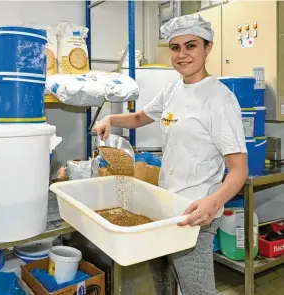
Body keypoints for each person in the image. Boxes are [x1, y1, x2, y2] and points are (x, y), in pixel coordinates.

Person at [93, 13, 248, 295]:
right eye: (175, 48)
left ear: (207, 47)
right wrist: (111, 121)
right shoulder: (173, 89)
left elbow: (239, 169)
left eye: (191, 46)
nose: (182, 55)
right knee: (175, 282)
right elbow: (141, 117)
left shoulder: (219, 100)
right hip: (168, 206)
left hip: (196, 213)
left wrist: (212, 203)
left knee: (196, 288)